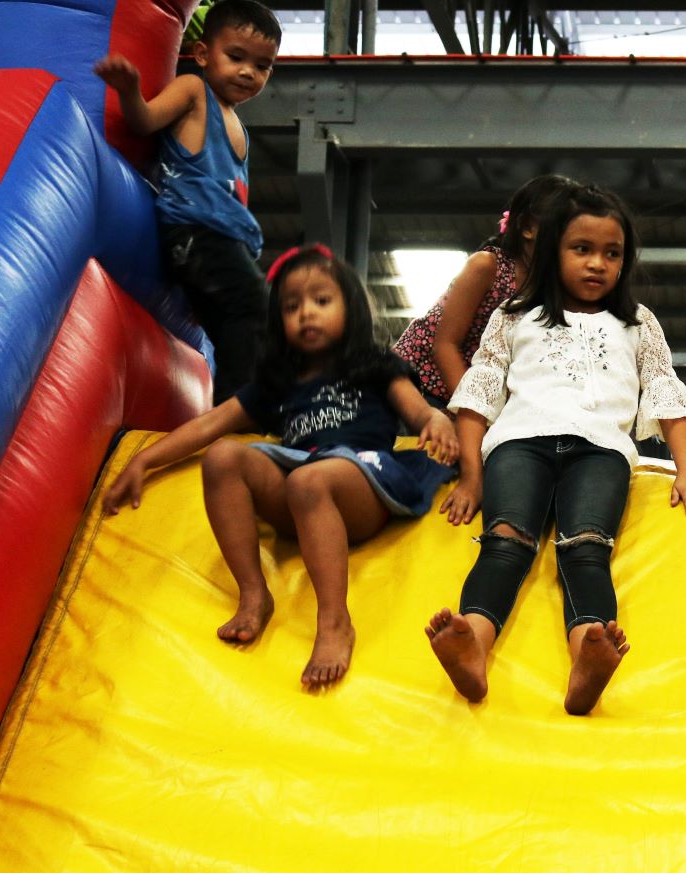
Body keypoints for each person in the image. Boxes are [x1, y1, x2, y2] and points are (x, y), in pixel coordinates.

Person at [424, 184, 686, 716]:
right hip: (519, 443)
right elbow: (477, 398)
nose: (597, 264)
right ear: (551, 251)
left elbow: (667, 394)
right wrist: (472, 476)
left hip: (600, 450)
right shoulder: (515, 315)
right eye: (581, 249)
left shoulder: (638, 323)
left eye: (612, 254)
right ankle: (473, 642)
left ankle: (588, 648)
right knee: (505, 539)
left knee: (587, 546)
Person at [102, 245, 458, 690]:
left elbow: (418, 410)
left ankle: (334, 623)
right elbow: (213, 423)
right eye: (292, 306)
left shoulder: (373, 365)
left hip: (361, 480)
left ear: (351, 308)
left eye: (321, 301)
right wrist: (145, 460)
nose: (306, 313)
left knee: (311, 479)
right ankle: (253, 593)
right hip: (301, 484)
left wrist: (437, 420)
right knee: (224, 456)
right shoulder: (277, 384)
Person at [95, 0, 280, 404]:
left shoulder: (238, 126)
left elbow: (234, 202)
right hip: (198, 235)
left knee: (244, 328)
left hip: (225, 246)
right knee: (257, 312)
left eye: (263, 66)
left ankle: (236, 410)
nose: (248, 72)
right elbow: (143, 120)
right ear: (201, 53)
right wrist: (129, 90)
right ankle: (237, 416)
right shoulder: (195, 91)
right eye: (236, 57)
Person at [393, 175, 579, 406]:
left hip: (482, 394)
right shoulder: (488, 266)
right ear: (527, 228)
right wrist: (469, 410)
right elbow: (444, 345)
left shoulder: (557, 288)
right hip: (421, 384)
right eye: (562, 230)